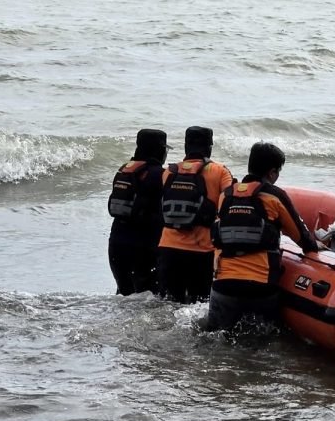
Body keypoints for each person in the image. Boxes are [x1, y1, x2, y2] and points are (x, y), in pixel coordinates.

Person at [200, 141, 319, 334]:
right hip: (259, 289)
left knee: (216, 337)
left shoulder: (226, 195)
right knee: (259, 343)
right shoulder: (275, 196)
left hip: (223, 286)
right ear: (272, 173)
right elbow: (304, 240)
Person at [157, 126, 233, 303]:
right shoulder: (220, 171)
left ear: (186, 146)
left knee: (168, 305)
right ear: (210, 146)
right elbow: (228, 208)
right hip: (202, 251)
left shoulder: (170, 172)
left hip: (168, 248)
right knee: (198, 306)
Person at [107, 129, 170, 295]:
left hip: (116, 245)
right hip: (144, 248)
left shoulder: (124, 171)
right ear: (160, 150)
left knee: (124, 296)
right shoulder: (161, 175)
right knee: (148, 299)